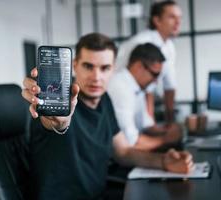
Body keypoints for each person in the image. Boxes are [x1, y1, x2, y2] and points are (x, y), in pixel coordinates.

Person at [22, 33, 193, 199]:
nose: (96, 77)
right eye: (88, 66)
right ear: (74, 66)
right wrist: (59, 120)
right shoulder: (61, 102)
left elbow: (123, 152)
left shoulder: (105, 100)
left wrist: (164, 161)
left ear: (113, 68)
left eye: (105, 68)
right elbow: (56, 123)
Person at [116, 0, 182, 124]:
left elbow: (170, 87)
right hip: (123, 97)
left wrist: (171, 123)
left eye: (179, 17)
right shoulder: (143, 42)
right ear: (157, 20)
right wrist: (151, 123)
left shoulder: (169, 46)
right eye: (172, 17)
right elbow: (146, 86)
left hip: (138, 99)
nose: (178, 22)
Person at [108, 43, 181, 151]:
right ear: (139, 66)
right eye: (154, 74)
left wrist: (168, 131)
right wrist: (166, 139)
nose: (156, 81)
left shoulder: (137, 88)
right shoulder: (120, 88)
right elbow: (130, 141)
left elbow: (146, 126)